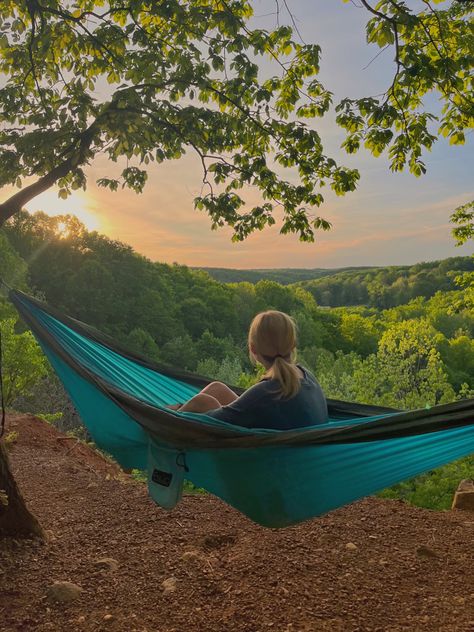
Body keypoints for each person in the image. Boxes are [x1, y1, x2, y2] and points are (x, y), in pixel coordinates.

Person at [170, 310, 328, 430]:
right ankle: (171, 413)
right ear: (292, 345)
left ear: (253, 349)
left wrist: (179, 410)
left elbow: (208, 421)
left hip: (267, 461)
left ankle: (162, 423)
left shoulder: (265, 392)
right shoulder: (307, 376)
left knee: (202, 402)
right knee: (216, 389)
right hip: (295, 450)